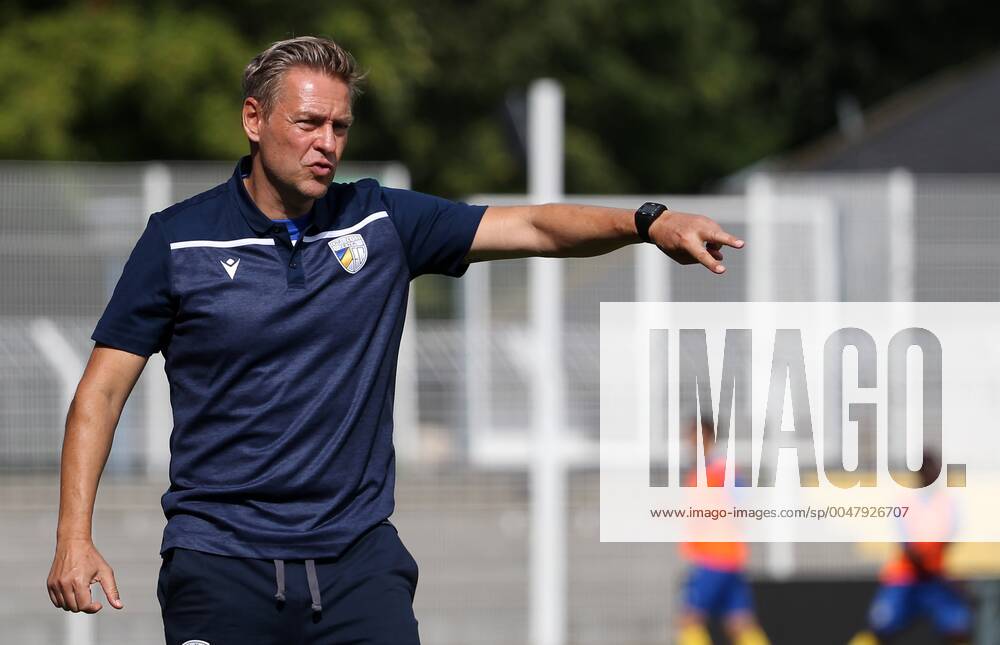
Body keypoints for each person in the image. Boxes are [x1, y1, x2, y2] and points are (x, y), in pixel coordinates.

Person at [45, 36, 745, 644]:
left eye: (340, 127)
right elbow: (100, 393)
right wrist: (73, 537)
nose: (328, 143)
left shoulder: (380, 222)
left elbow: (533, 226)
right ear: (254, 120)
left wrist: (647, 221)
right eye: (310, 122)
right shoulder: (177, 239)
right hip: (219, 561)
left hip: (358, 565)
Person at [849, 454, 972, 645]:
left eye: (933, 469)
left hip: (935, 580)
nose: (931, 474)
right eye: (926, 469)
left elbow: (949, 541)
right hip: (905, 577)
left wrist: (947, 575)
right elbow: (908, 548)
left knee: (957, 629)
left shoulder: (948, 503)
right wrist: (940, 574)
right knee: (878, 629)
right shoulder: (905, 502)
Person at [676, 420, 770, 645]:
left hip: (713, 557)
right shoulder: (709, 471)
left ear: (707, 438)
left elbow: (743, 501)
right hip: (729, 557)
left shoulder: (716, 471)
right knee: (740, 623)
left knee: (689, 620)